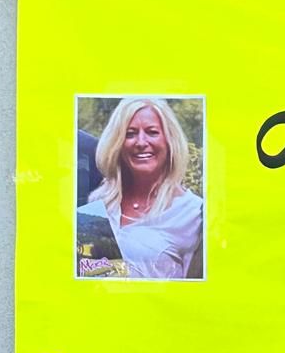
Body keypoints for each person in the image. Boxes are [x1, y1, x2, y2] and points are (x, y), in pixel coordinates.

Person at [80, 97, 203, 280]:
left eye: (152, 132)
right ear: (117, 143)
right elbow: (93, 274)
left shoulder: (194, 214)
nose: (141, 142)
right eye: (130, 134)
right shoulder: (99, 200)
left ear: (170, 141)